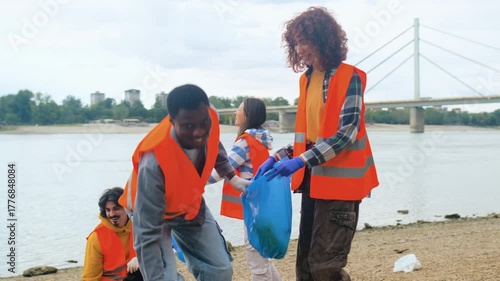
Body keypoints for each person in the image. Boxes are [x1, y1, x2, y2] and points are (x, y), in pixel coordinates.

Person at [256, 7, 379, 281]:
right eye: (295, 43)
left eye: (304, 41)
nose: (299, 49)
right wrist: (280, 156)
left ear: (324, 39)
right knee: (306, 264)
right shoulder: (306, 80)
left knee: (326, 266)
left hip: (342, 188)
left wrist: (300, 160)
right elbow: (311, 135)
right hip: (314, 181)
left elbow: (345, 134)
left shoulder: (351, 77)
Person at [121, 84, 250, 281]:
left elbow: (215, 146)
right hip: (152, 213)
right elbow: (146, 236)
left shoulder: (210, 118)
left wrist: (233, 178)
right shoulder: (154, 164)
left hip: (190, 206)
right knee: (164, 277)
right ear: (172, 121)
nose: (199, 132)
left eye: (204, 122)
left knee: (220, 271)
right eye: (189, 126)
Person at [208, 98, 282, 281]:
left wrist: (194, 183)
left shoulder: (245, 142)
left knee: (256, 259)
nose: (235, 112)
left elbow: (223, 169)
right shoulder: (261, 139)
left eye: (239, 109)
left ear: (247, 115)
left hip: (253, 206)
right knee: (262, 257)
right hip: (262, 204)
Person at [83, 187, 143, 281]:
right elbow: (90, 277)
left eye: (116, 208)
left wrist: (140, 259)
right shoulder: (96, 237)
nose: (112, 214)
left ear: (126, 208)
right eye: (108, 210)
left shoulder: (139, 227)